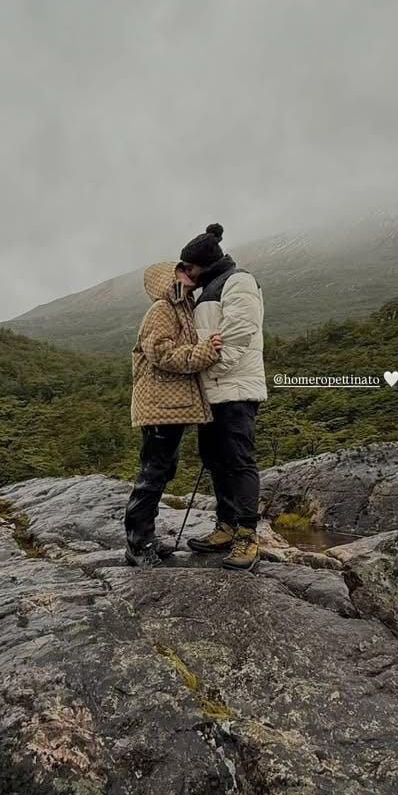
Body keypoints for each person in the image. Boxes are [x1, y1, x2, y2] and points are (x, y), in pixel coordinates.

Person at [124, 261, 223, 568]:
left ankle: (146, 538)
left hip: (169, 407)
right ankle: (137, 545)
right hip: (158, 407)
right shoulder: (162, 310)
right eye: (182, 270)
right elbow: (161, 352)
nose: (189, 273)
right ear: (169, 279)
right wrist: (203, 352)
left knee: (162, 471)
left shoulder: (181, 307)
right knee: (152, 474)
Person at [180, 224, 267, 571]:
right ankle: (227, 526)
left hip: (235, 389)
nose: (186, 273)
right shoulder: (206, 289)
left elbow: (238, 335)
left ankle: (247, 535)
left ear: (203, 264)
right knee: (214, 459)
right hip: (213, 392)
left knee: (238, 461)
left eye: (188, 267)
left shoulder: (239, 281)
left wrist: (207, 367)